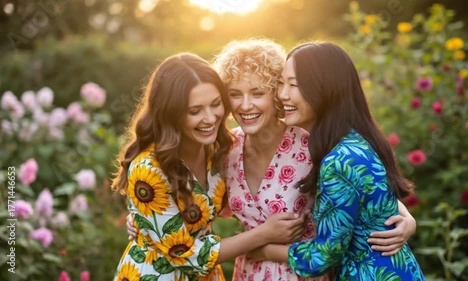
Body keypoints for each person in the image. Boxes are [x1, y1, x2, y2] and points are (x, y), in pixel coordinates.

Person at [127, 40, 419, 280]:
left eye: (257, 93)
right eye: (234, 95)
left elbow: (359, 188)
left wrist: (405, 218)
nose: (245, 105)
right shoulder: (225, 149)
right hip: (250, 273)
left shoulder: (310, 144)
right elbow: (197, 203)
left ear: (277, 93)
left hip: (307, 273)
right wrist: (142, 218)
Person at [112, 53, 307, 281]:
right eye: (195, 111)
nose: (210, 118)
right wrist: (264, 234)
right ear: (171, 113)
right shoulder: (148, 168)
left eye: (216, 105)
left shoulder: (218, 149)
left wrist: (144, 218)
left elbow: (233, 204)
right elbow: (188, 256)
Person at [247, 42, 426, 280]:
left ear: (325, 89)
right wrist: (407, 218)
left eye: (294, 85)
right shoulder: (354, 141)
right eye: (281, 83)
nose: (282, 95)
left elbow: (324, 255)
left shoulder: (340, 161)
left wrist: (265, 250)